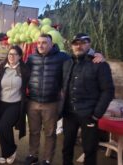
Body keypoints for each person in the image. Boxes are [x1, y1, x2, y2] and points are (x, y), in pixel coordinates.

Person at [24, 33, 104, 165]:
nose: (41, 45)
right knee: (34, 131)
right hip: (33, 101)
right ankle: (33, 155)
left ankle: (47, 159)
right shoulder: (32, 58)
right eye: (38, 43)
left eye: (44, 42)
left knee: (50, 133)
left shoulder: (62, 57)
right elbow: (21, 69)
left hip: (51, 103)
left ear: (51, 44)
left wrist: (97, 55)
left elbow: (80, 57)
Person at [60, 33, 114, 165]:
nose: (79, 46)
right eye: (76, 43)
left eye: (83, 43)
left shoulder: (99, 64)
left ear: (89, 44)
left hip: (89, 114)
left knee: (89, 150)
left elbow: (108, 91)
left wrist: (97, 114)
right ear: (72, 46)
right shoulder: (67, 63)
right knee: (66, 147)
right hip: (69, 113)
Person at [0, 45, 30, 164]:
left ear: (20, 56)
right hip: (1, 103)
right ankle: (5, 154)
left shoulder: (24, 70)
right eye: (10, 54)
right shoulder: (1, 68)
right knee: (3, 128)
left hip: (15, 104)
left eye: (15, 54)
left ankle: (11, 150)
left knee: (4, 126)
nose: (12, 56)